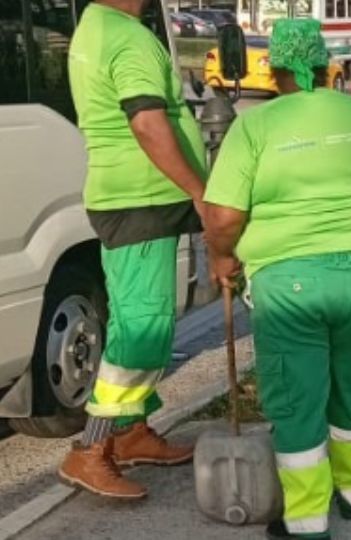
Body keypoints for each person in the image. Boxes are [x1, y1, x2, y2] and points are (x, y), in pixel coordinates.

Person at [203, 19, 351, 540]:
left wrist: (221, 258)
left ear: (276, 71)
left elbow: (224, 214)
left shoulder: (256, 126)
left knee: (298, 399)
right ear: (326, 68)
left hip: (288, 284)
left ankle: (306, 520)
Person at [58, 0, 206, 498]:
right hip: (141, 201)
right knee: (144, 329)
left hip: (129, 199)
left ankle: (130, 433)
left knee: (131, 320)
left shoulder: (97, 27)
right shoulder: (129, 36)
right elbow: (147, 122)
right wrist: (198, 189)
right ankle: (90, 450)